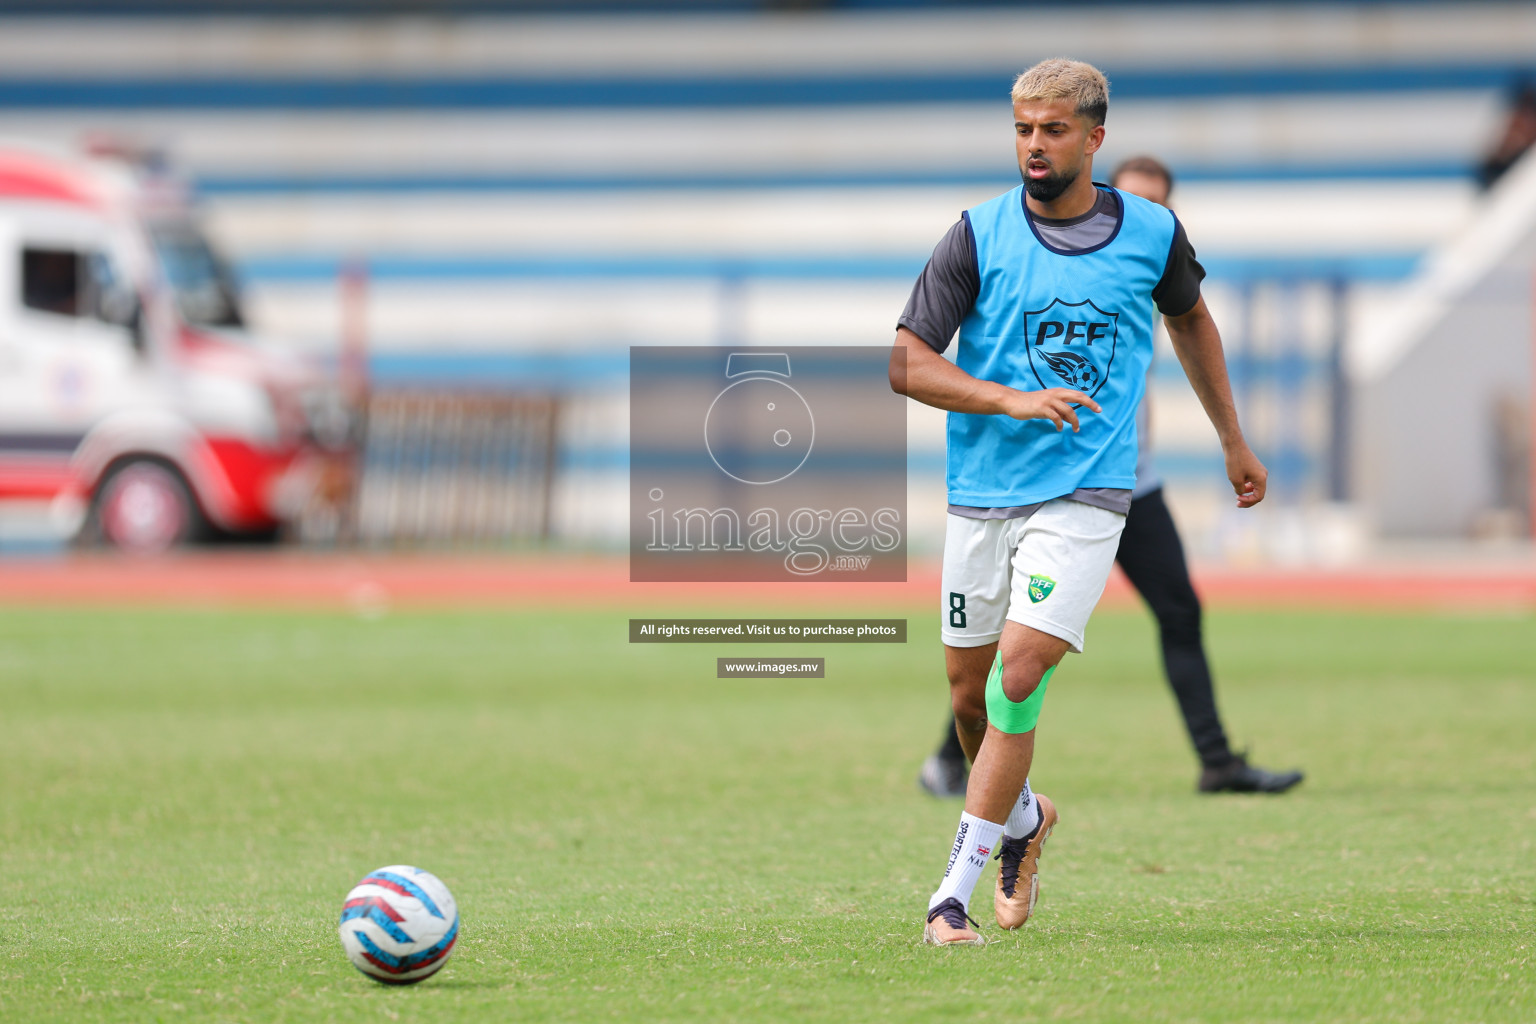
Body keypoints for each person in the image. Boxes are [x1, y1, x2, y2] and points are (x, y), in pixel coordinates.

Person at [890, 59, 1268, 946]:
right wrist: (1008, 397)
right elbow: (907, 361)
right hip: (982, 492)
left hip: (1089, 493)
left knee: (1020, 676)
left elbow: (1192, 321)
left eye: (1052, 130)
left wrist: (1231, 438)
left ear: (1093, 138)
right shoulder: (976, 236)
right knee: (971, 696)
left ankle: (952, 894)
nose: (1033, 145)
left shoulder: (1151, 232)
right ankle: (1023, 821)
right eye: (1023, 129)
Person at [917, 155, 1304, 800]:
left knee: (1177, 610)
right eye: (1135, 195)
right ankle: (955, 757)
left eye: (1159, 200)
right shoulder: (1037, 252)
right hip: (1033, 484)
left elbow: (1189, 328)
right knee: (1000, 647)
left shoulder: (1147, 260)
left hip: (1125, 483)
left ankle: (1217, 760)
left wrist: (1231, 440)